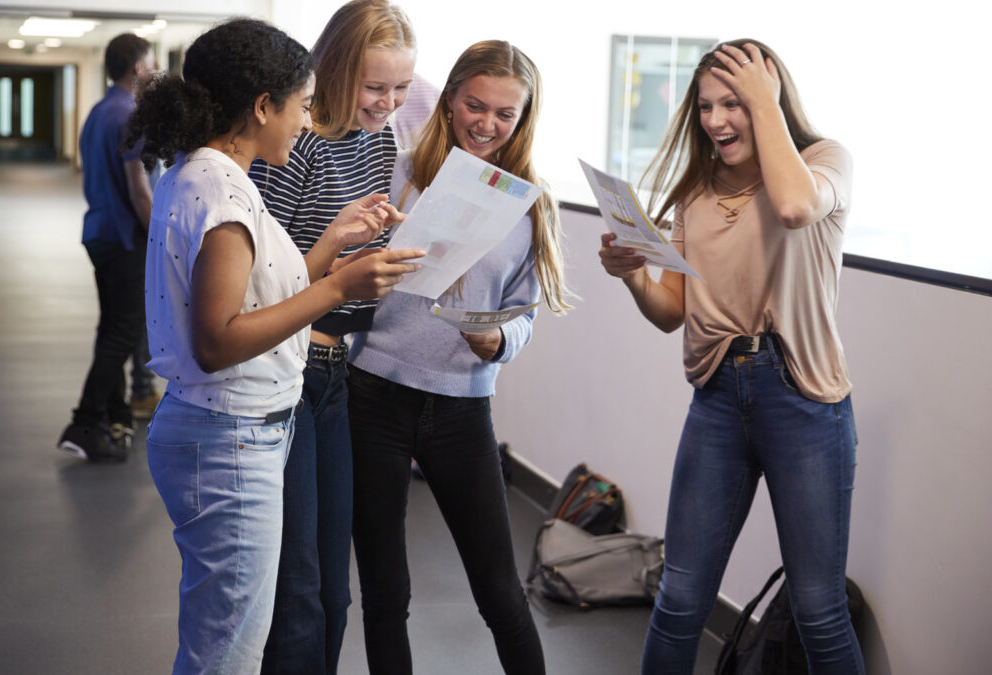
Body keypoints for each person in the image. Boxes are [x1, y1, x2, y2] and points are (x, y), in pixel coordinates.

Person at [125, 18, 422, 674]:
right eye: (303, 106)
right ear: (264, 106)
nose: (306, 121)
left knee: (230, 637)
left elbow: (262, 293)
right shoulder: (223, 190)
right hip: (229, 434)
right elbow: (217, 338)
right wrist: (341, 283)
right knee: (229, 651)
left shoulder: (204, 174)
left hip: (232, 428)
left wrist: (330, 247)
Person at [598, 39, 863, 675]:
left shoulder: (823, 162)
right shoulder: (697, 191)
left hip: (803, 401)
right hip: (717, 397)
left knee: (818, 610)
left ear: (770, 99)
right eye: (706, 106)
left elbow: (797, 209)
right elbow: (671, 312)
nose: (717, 120)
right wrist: (633, 275)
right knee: (680, 598)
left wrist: (764, 103)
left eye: (734, 103)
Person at [346, 40, 571, 675]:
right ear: (448, 101)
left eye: (506, 114)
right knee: (386, 593)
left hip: (463, 406)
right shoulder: (395, 171)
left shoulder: (529, 201)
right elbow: (341, 270)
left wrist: (502, 341)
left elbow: (525, 311)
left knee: (499, 591)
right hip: (374, 396)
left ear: (524, 119)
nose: (487, 124)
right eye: (475, 105)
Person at [246, 2, 415, 672]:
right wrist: (341, 260)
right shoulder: (295, 143)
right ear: (335, 71)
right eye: (377, 87)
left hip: (336, 372)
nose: (390, 103)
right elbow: (262, 284)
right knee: (300, 597)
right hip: (283, 373)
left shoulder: (381, 141)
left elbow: (348, 253)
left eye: (401, 88)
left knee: (333, 596)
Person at [57, 33, 155, 462]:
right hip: (123, 237)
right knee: (124, 331)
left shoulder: (98, 111)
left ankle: (112, 417)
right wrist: (161, 239)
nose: (154, 69)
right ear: (137, 67)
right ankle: (82, 422)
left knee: (112, 327)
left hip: (98, 232)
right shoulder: (131, 114)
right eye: (151, 62)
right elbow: (139, 192)